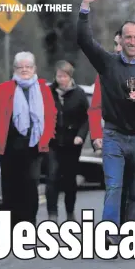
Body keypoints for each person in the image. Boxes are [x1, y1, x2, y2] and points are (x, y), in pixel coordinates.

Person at [77, 0, 135, 248]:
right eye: (128, 37)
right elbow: (84, 41)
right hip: (114, 136)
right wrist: (85, 8)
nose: (132, 41)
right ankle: (109, 232)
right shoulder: (108, 63)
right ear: (121, 39)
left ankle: (132, 233)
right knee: (114, 186)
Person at [0, 51, 57, 226]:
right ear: (15, 69)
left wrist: (47, 136)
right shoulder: (2, 89)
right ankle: (13, 228)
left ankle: (28, 225)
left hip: (34, 147)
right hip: (9, 146)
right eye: (20, 67)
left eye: (28, 67)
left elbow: (51, 115)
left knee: (30, 188)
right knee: (10, 190)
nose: (24, 70)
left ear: (34, 68)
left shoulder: (43, 90)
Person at [46, 60, 89, 222]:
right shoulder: (49, 92)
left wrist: (81, 135)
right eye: (58, 76)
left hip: (72, 143)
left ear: (70, 77)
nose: (60, 80)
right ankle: (52, 214)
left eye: (64, 76)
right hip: (53, 142)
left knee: (70, 179)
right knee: (52, 177)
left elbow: (86, 118)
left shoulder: (79, 94)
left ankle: (70, 213)